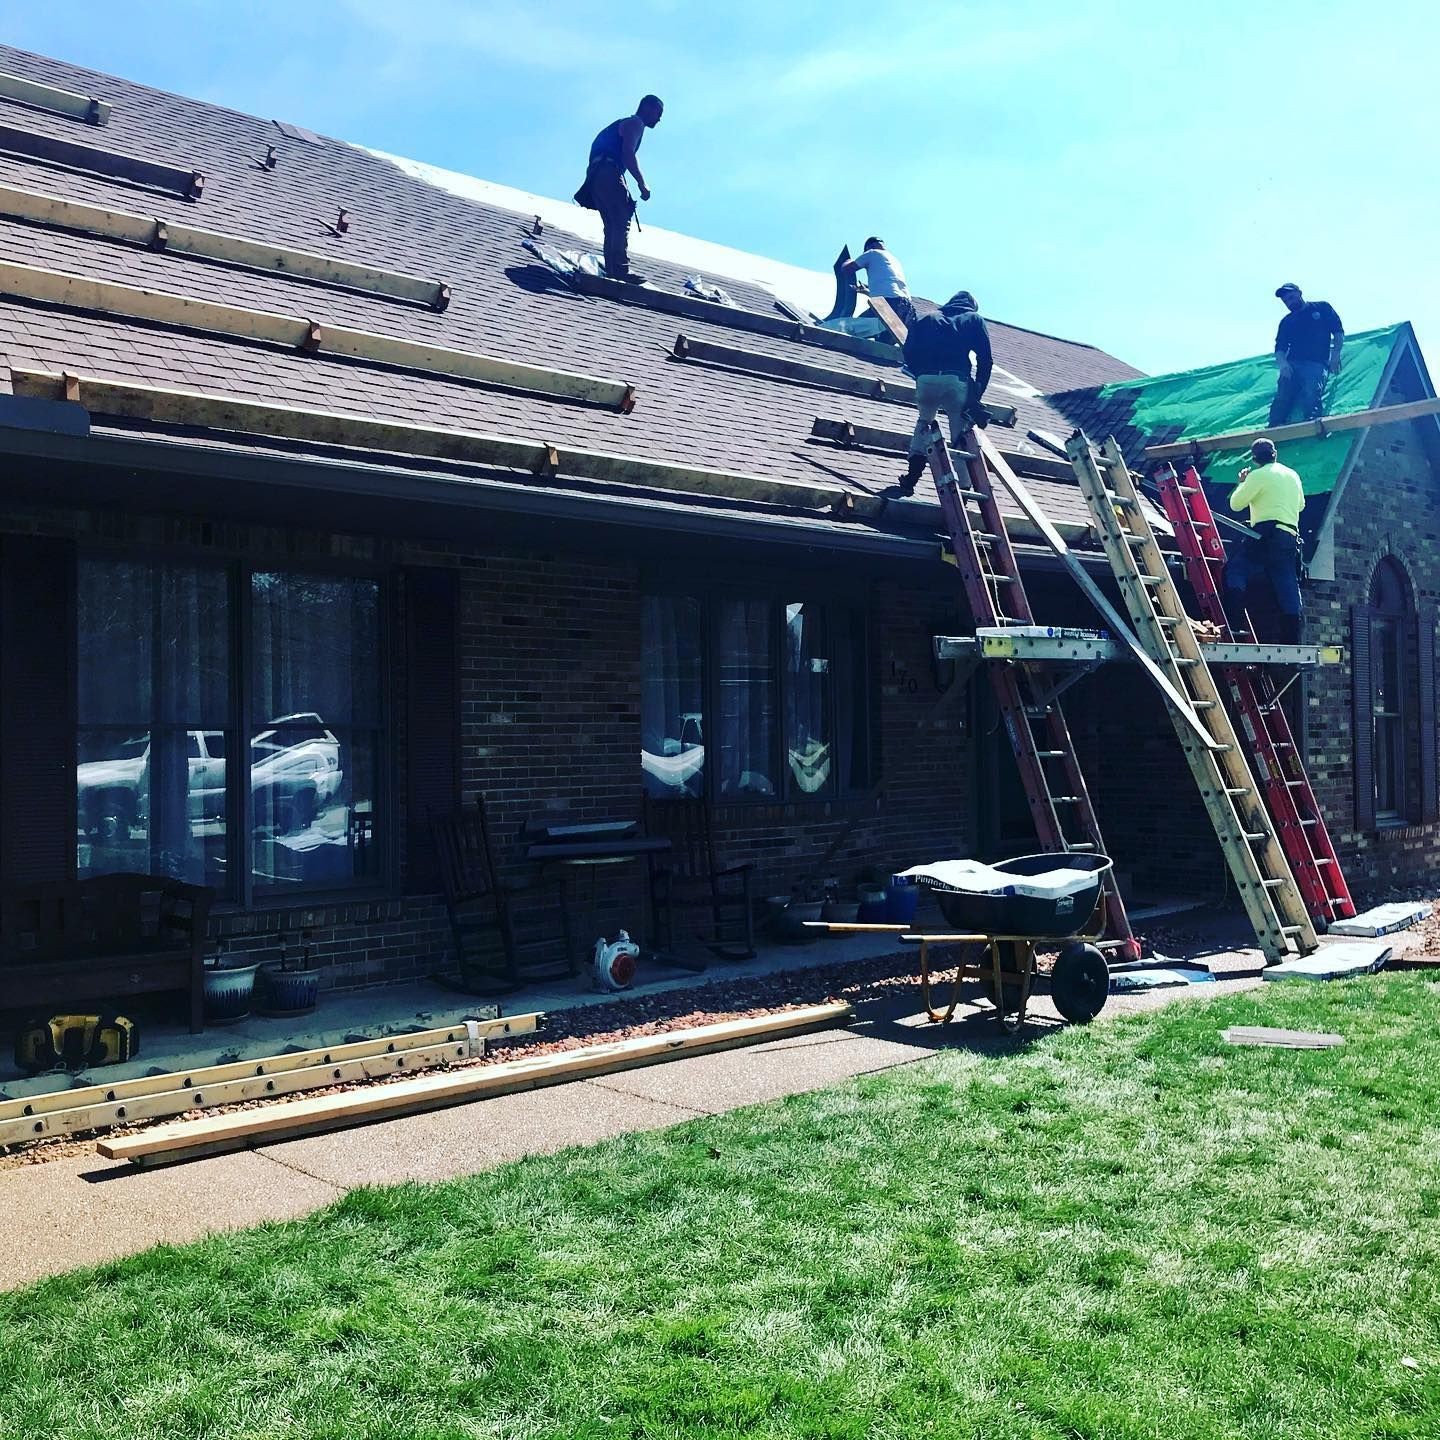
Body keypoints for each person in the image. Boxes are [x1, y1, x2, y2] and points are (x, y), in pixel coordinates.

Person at [897, 291, 993, 495]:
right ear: (971, 306)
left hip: (927, 379)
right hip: (955, 380)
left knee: (924, 423)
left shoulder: (928, 318)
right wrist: (978, 392)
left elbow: (908, 350)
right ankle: (963, 489)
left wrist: (920, 372)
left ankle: (911, 477)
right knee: (959, 435)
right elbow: (985, 359)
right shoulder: (973, 319)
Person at [574, 95, 664, 284]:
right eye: (659, 113)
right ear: (649, 108)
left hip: (596, 175)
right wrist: (642, 183)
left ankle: (612, 269)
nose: (659, 119)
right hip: (608, 170)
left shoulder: (623, 124)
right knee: (621, 219)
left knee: (612, 224)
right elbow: (627, 153)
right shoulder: (635, 123)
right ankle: (620, 270)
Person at [1225, 437, 1305, 644]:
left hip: (1265, 533)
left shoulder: (1257, 475)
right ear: (1275, 454)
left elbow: (1235, 504)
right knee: (1286, 581)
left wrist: (1242, 484)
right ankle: (1292, 638)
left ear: (1254, 459)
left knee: (1236, 569)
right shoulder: (1293, 475)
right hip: (1290, 536)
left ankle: (1234, 621)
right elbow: (1301, 505)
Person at [1270, 283, 1343, 426]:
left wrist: (1335, 355)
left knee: (1311, 389)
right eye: (1286, 301)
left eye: (1291, 297)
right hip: (1293, 364)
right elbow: (1280, 348)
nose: (1289, 302)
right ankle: (1274, 426)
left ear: (1299, 293)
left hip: (1317, 362)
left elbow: (1338, 332)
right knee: (1282, 394)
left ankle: (1314, 423)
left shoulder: (1322, 308)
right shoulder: (1287, 322)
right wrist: (1283, 364)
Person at [839, 237, 910, 302]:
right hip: (907, 305)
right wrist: (866, 291)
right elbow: (890, 289)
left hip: (888, 302)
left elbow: (846, 269)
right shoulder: (894, 260)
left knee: (851, 317)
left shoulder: (872, 253)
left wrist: (848, 260)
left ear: (870, 247)